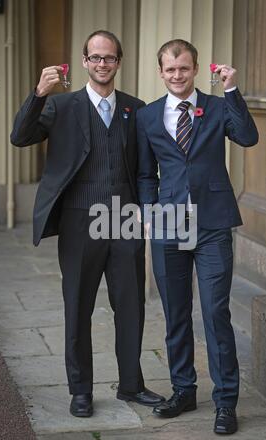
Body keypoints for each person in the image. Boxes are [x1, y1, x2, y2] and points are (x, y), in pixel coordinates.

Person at [11, 30, 164, 418]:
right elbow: (20, 136)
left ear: (118, 62)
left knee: (131, 306)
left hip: (125, 221)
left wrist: (148, 212)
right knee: (77, 307)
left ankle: (131, 385)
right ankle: (80, 390)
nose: (101, 64)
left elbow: (147, 168)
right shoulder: (60, 106)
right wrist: (38, 94)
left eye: (108, 58)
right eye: (95, 58)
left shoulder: (136, 108)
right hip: (80, 221)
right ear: (84, 62)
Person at [136, 39, 258, 434]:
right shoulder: (148, 117)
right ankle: (184, 391)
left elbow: (248, 137)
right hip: (168, 225)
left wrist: (232, 90)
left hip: (212, 225)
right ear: (161, 72)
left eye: (183, 69)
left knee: (215, 313)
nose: (177, 76)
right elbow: (144, 173)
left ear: (195, 68)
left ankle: (225, 402)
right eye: (170, 70)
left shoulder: (220, 106)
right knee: (176, 315)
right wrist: (150, 213)